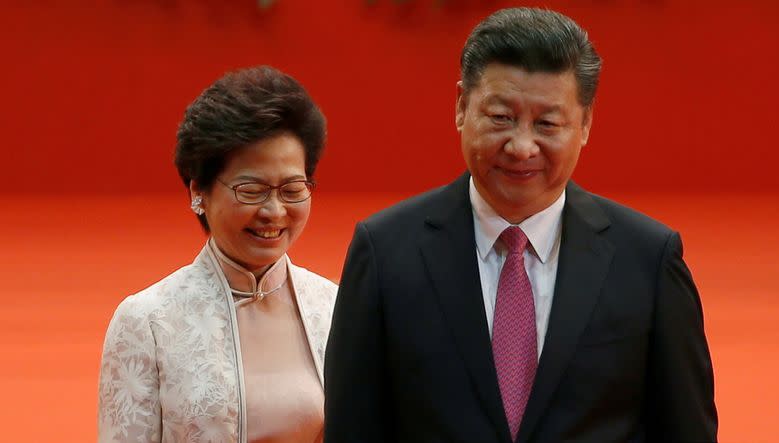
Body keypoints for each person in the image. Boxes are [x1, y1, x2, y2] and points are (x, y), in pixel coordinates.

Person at [324, 7, 717, 443]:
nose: (521, 146)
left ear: (585, 123)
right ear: (461, 106)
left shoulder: (648, 260)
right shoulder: (384, 253)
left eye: (547, 123)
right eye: (501, 118)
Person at [98, 66, 337, 443]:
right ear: (199, 191)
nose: (274, 211)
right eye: (251, 190)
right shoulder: (148, 323)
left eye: (292, 189)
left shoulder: (335, 308)